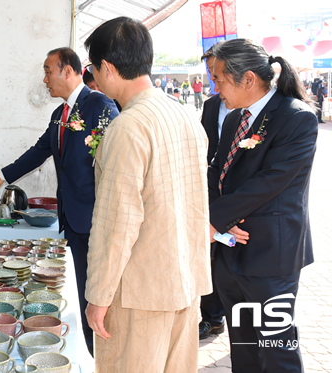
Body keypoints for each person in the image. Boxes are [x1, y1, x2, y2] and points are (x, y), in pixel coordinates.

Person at [83, 17, 211, 372]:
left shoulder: (128, 126)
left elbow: (116, 223)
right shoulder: (184, 115)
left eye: (93, 68)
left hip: (140, 291)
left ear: (107, 68)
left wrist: (98, 296)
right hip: (184, 282)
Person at [0, 47, 119, 354]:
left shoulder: (99, 104)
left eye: (48, 71)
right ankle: (85, 348)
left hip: (95, 217)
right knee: (81, 284)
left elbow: (116, 159)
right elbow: (39, 150)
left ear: (68, 71)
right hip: (70, 218)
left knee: (94, 289)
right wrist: (3, 175)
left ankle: (97, 350)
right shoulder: (59, 114)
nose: (44, 79)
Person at [209, 38, 317, 373]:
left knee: (277, 349)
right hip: (231, 251)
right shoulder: (233, 118)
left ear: (248, 80)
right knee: (243, 347)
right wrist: (213, 219)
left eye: (220, 79)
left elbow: (269, 182)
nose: (215, 87)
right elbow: (217, 174)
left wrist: (212, 220)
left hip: (271, 256)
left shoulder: (296, 119)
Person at [198, 46, 231, 340]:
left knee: (234, 261)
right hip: (212, 195)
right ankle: (212, 317)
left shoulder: (271, 114)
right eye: (210, 73)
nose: (212, 79)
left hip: (244, 204)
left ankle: (238, 322)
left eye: (217, 73)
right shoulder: (210, 106)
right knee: (209, 257)